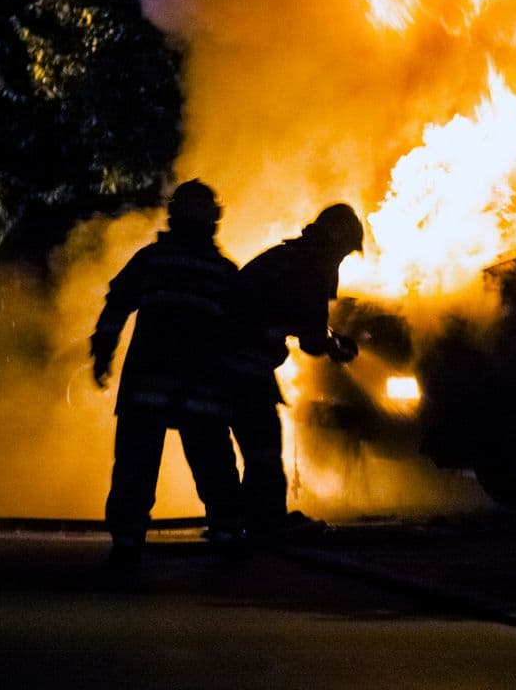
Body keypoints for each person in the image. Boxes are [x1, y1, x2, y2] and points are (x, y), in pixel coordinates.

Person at [90, 179, 242, 567]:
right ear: (214, 220)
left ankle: (127, 541)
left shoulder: (153, 259)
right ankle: (226, 534)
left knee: (135, 466)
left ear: (173, 217)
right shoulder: (224, 272)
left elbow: (116, 306)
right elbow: (240, 331)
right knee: (214, 464)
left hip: (148, 387)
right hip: (201, 390)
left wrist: (102, 354)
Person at [227, 203, 363, 536]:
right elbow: (313, 340)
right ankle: (267, 523)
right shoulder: (315, 264)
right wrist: (337, 347)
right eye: (345, 252)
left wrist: (328, 338)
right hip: (243, 361)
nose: (343, 259)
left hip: (229, 358)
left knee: (254, 443)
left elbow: (305, 326)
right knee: (264, 443)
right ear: (337, 238)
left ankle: (243, 519)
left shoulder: (293, 256)